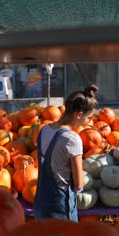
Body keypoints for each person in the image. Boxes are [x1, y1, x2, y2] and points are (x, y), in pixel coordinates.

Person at [33, 84, 98, 222]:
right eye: (89, 118)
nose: (89, 122)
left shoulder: (44, 129)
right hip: (59, 206)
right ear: (79, 114)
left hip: (41, 202)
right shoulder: (72, 139)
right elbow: (79, 184)